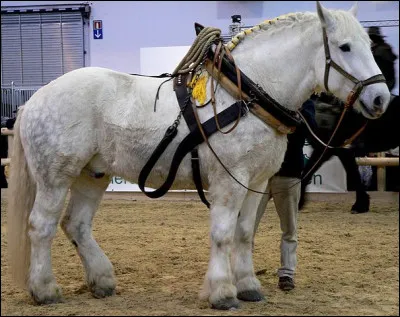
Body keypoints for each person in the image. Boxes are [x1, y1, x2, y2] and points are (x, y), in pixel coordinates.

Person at [253, 98, 317, 291]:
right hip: (262, 174)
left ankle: (287, 273)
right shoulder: (268, 95)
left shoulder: (306, 104)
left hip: (288, 174)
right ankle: (243, 269)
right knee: (248, 226)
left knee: (289, 228)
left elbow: (311, 130)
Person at [368, 26, 397, 92]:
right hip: (389, 82)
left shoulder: (380, 50)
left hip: (384, 83)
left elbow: (377, 70)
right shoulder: (385, 47)